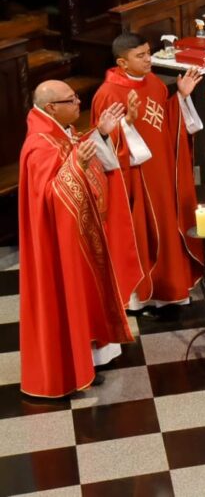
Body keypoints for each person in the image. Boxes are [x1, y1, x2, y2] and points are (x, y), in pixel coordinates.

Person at [19, 81, 143, 397]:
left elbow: (74, 154)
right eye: (71, 100)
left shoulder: (58, 130)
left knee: (86, 292)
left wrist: (100, 133)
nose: (78, 103)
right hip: (57, 244)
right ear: (50, 108)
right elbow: (48, 196)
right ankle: (69, 368)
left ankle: (91, 356)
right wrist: (78, 165)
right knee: (67, 296)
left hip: (77, 234)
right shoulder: (39, 145)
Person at [91, 33, 205, 310]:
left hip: (163, 171)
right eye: (140, 56)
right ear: (122, 62)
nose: (148, 59)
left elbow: (165, 122)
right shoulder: (108, 93)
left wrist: (181, 97)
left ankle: (171, 284)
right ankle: (140, 296)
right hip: (136, 178)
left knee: (168, 225)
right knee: (142, 231)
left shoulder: (154, 83)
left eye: (148, 52)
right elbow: (101, 144)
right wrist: (126, 124)